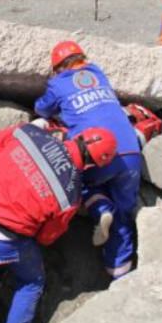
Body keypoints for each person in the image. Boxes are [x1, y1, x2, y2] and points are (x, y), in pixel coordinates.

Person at [0, 122, 117, 323]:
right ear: (92, 165)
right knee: (32, 281)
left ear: (78, 137)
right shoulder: (70, 193)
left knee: (10, 244)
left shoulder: (29, 132)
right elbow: (46, 237)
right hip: (6, 240)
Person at [34, 40, 142, 280]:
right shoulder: (98, 73)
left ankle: (102, 208)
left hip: (98, 150)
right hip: (131, 153)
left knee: (76, 183)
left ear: (59, 67)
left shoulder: (58, 83)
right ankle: (119, 271)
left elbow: (41, 109)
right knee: (125, 213)